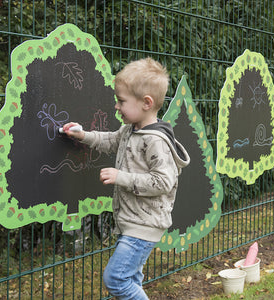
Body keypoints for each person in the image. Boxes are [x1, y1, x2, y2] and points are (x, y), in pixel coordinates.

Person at [62, 57, 190, 299]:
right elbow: (109, 141)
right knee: (131, 279)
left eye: (121, 101)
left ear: (146, 103)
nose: (117, 107)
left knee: (116, 279)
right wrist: (82, 135)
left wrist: (122, 177)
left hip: (144, 225)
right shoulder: (130, 130)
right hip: (132, 221)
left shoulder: (155, 141)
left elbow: (164, 182)